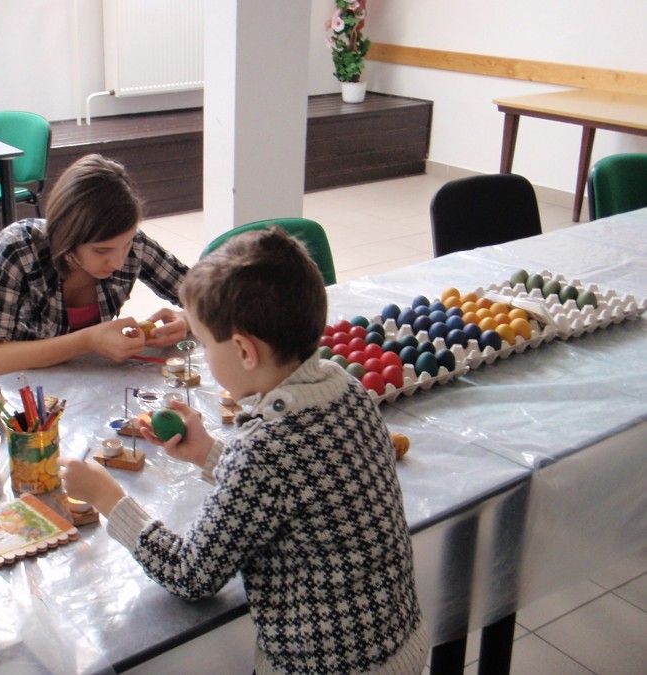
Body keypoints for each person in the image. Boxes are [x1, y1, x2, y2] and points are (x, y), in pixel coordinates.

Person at [60, 227, 428, 674]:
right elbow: (298, 486)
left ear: (243, 351)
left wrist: (107, 498)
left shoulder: (262, 452)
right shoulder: (345, 389)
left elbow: (191, 574)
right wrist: (209, 454)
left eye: (204, 344)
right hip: (400, 645)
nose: (204, 357)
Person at [0, 154, 190, 375]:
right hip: (10, 390)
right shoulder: (20, 247)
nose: (119, 261)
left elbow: (204, 296)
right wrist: (88, 341)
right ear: (66, 238)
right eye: (102, 250)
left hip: (81, 386)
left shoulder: (134, 245)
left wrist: (185, 319)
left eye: (126, 243)